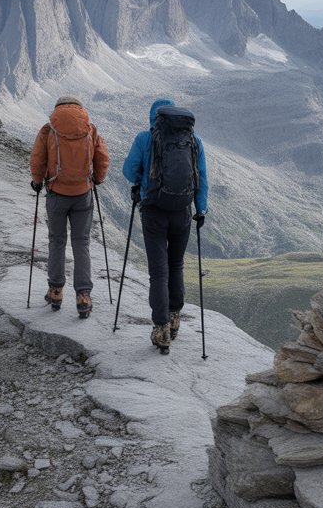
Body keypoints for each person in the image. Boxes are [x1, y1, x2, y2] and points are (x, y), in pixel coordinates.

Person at [123, 98, 208, 354]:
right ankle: (174, 319)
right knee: (176, 265)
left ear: (155, 117)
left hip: (154, 212)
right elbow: (201, 177)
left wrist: (141, 180)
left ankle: (161, 330)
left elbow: (129, 171)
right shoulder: (194, 140)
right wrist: (200, 208)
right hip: (182, 211)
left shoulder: (144, 138)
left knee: (158, 272)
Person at [30, 96, 110, 319]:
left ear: (58, 110)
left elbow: (37, 158)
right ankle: (83, 296)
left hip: (56, 193)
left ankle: (55, 291)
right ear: (79, 109)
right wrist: (98, 179)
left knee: (57, 240)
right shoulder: (90, 129)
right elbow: (102, 158)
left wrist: (37, 181)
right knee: (81, 242)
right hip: (83, 194)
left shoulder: (49, 129)